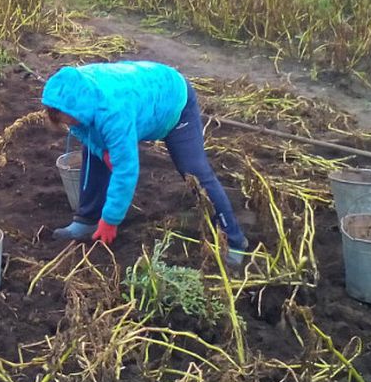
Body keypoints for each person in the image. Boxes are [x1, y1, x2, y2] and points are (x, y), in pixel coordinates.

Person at [41, 60, 248, 265]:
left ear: (80, 109)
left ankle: (234, 240)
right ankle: (87, 220)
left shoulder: (113, 113)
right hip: (138, 97)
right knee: (94, 153)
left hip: (171, 101)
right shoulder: (70, 92)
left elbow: (125, 171)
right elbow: (83, 131)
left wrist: (111, 220)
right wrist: (101, 151)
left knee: (195, 171)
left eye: (69, 119)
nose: (67, 123)